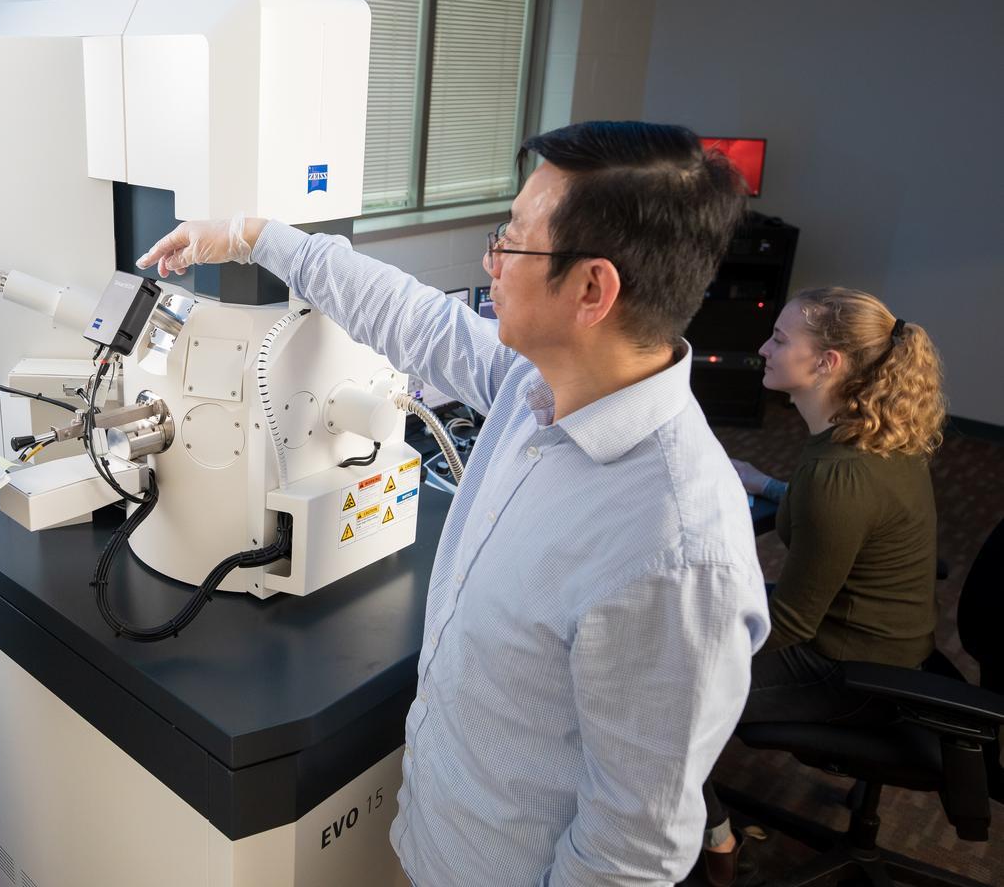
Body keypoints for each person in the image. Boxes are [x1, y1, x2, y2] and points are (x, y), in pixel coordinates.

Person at [138, 121, 771, 886]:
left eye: (513, 241)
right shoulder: (534, 387)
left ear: (592, 290)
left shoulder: (675, 551)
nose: (490, 261)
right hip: (434, 842)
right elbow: (411, 317)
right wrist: (251, 236)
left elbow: (630, 852)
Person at [703, 288, 945, 885]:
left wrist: (686, 636)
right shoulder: (868, 436)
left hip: (852, 670)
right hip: (884, 640)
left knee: (658, 688)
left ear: (827, 363)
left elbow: (790, 625)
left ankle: (716, 841)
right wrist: (768, 484)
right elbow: (844, 519)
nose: (764, 347)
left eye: (781, 339)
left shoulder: (839, 474)